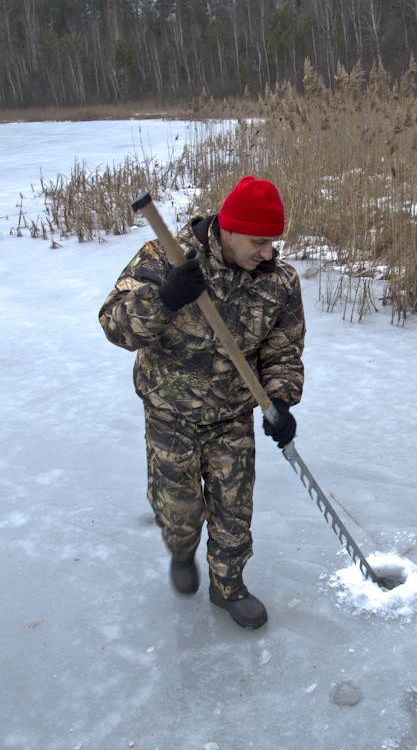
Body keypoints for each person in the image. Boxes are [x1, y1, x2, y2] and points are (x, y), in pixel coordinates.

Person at [99, 176, 305, 629]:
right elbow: (114, 326)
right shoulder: (165, 259)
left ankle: (228, 585)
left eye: (273, 242)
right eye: (259, 242)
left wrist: (282, 400)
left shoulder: (279, 281)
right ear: (229, 230)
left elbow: (282, 350)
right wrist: (165, 298)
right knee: (180, 512)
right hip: (170, 416)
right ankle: (180, 546)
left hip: (232, 417)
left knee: (235, 510)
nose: (268, 253)